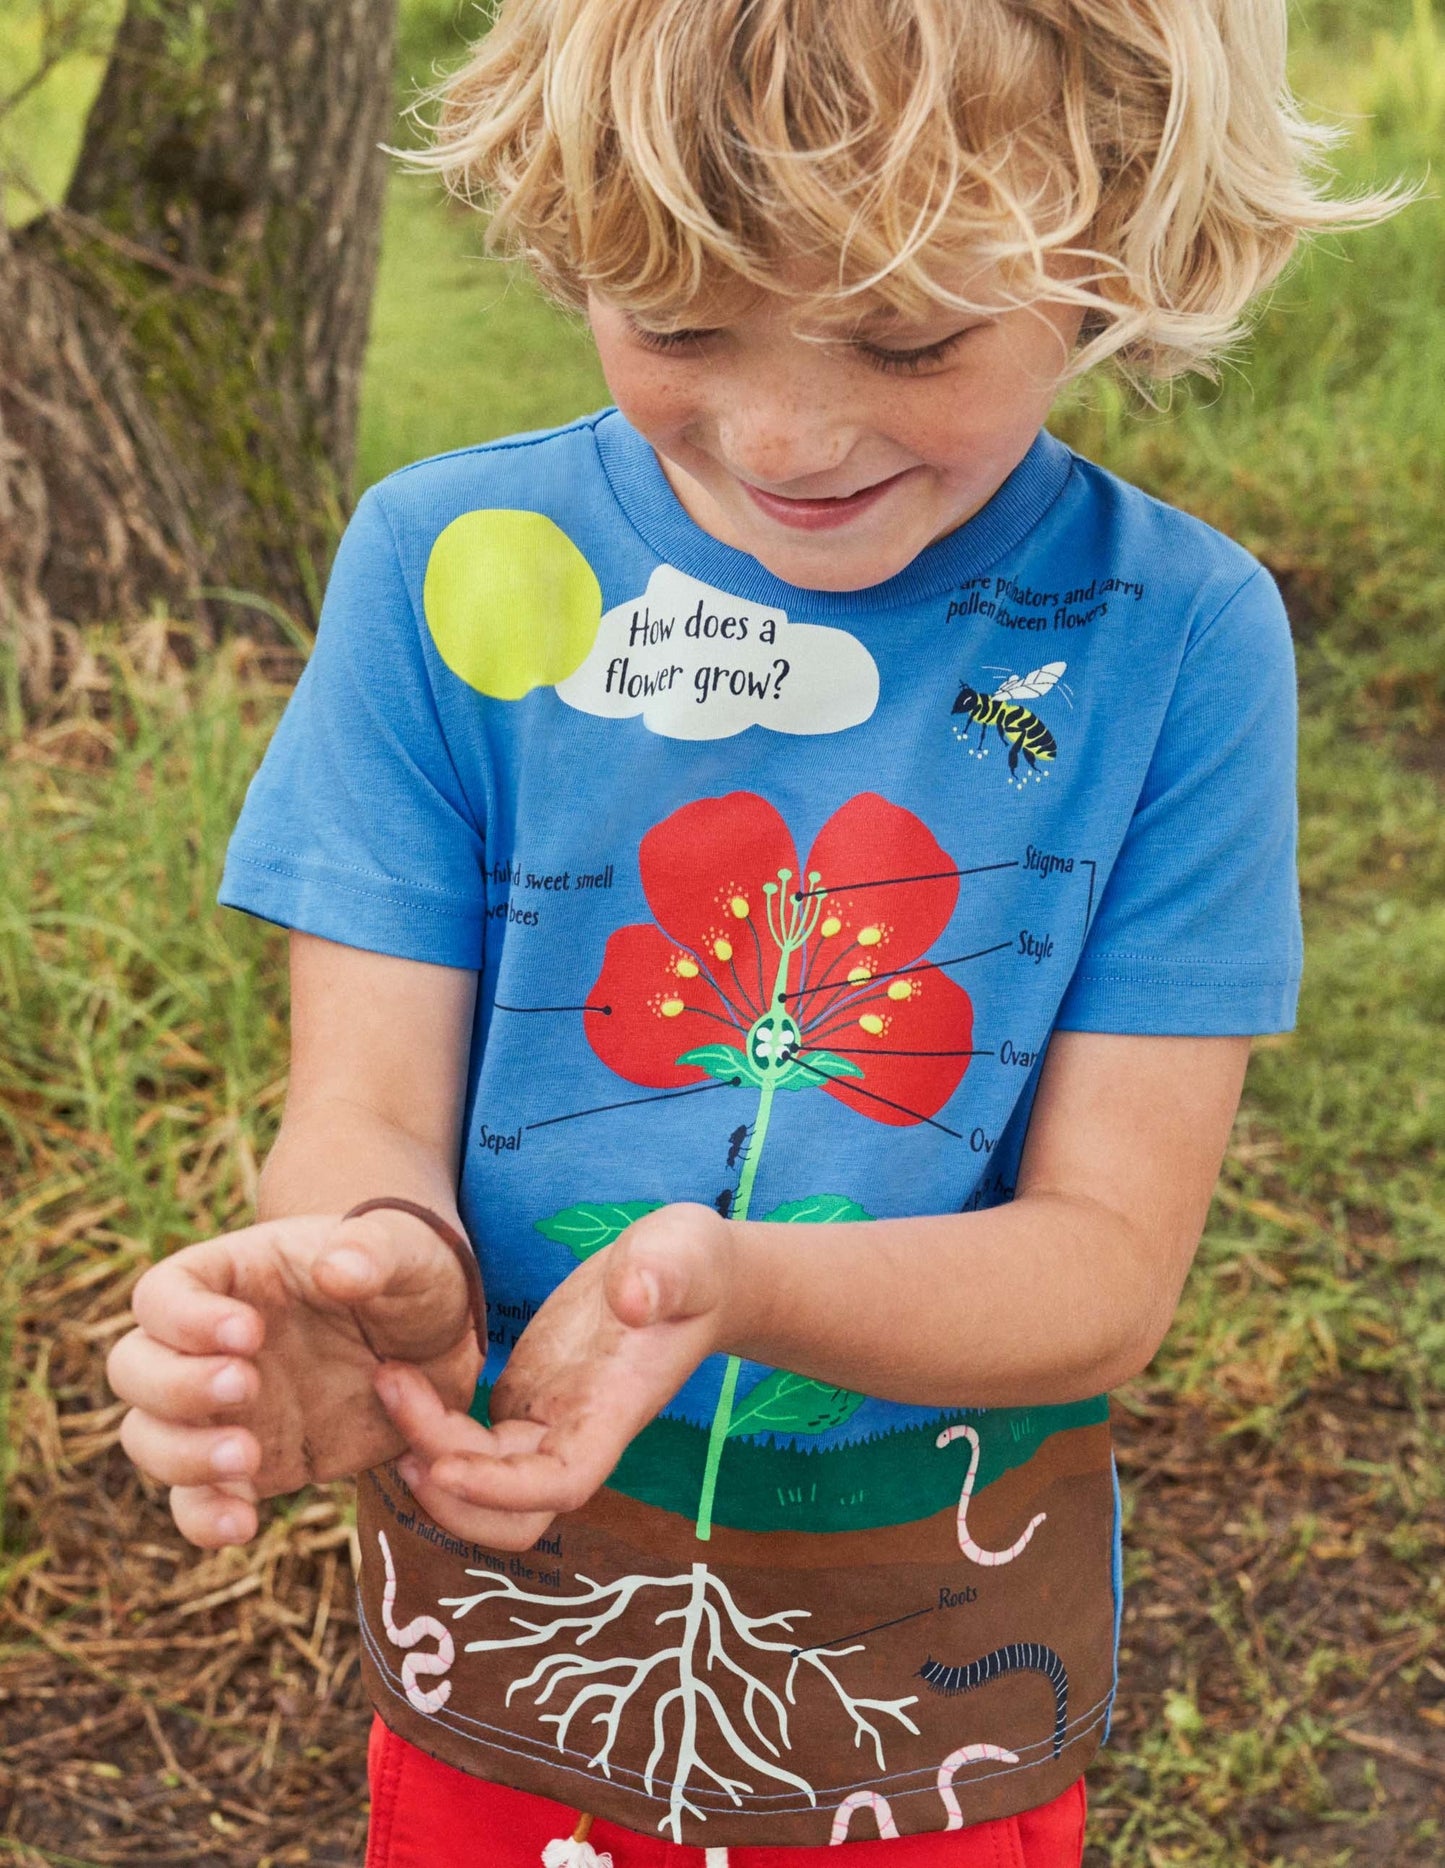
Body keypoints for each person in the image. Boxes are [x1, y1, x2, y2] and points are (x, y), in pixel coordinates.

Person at [105, 2, 1401, 1862]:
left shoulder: (1175, 643)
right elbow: (362, 1107)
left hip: (930, 1675)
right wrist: (366, 1264)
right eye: (681, 322)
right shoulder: (444, 571)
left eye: (911, 337)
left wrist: (739, 1285)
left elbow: (1106, 1270)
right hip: (510, 1633)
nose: (788, 434)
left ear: (1115, 247)